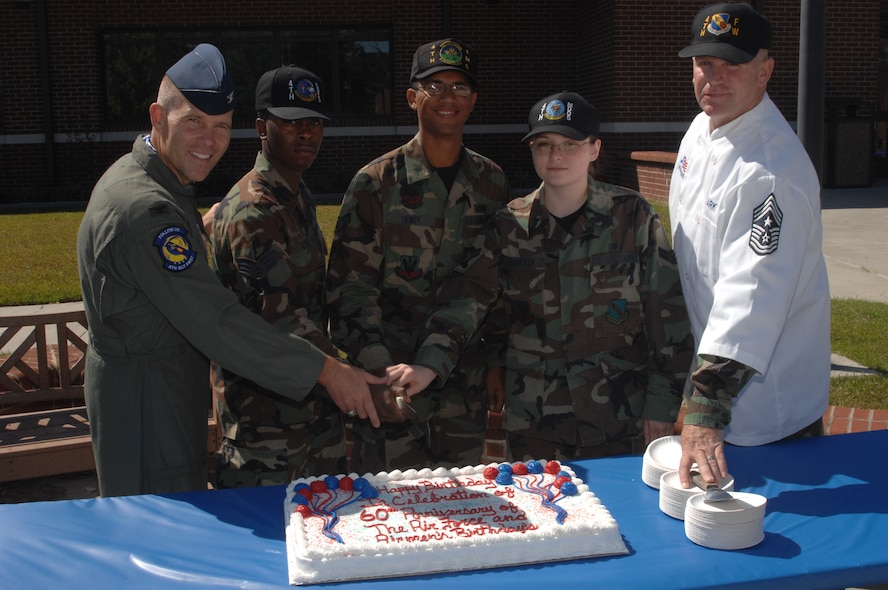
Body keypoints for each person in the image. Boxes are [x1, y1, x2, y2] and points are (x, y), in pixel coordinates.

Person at [77, 44, 383, 497]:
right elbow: (218, 322)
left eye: (220, 126)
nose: (210, 139)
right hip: (147, 405)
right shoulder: (146, 210)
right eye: (194, 121)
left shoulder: (153, 183)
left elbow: (145, 271)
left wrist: (194, 234)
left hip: (162, 391)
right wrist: (330, 372)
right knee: (154, 534)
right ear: (158, 117)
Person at [389, 92, 694, 461]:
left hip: (618, 416)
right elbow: (467, 301)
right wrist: (428, 364)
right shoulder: (509, 226)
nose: (556, 156)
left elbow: (668, 318)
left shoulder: (633, 218)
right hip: (535, 423)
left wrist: (661, 407)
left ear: (594, 149)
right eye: (544, 145)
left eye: (570, 144)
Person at [326, 38, 510, 473]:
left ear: (474, 100)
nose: (448, 98)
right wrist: (380, 373)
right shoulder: (376, 183)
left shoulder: (491, 183)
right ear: (412, 98)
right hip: (389, 390)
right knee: (387, 516)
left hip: (463, 387)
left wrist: (497, 362)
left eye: (460, 87)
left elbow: (497, 285)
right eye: (435, 86)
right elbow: (349, 290)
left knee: (461, 515)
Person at [668, 3, 831, 489]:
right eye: (703, 64)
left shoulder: (771, 173)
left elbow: (750, 299)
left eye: (731, 65)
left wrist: (704, 407)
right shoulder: (702, 130)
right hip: (714, 384)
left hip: (768, 412)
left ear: (765, 71)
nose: (712, 79)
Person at [203, 66, 346, 488]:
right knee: (265, 549)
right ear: (262, 128)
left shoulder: (295, 193)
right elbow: (281, 319)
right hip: (265, 431)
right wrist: (355, 379)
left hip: (312, 416)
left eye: (314, 123)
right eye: (291, 122)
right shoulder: (254, 210)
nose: (306, 133)